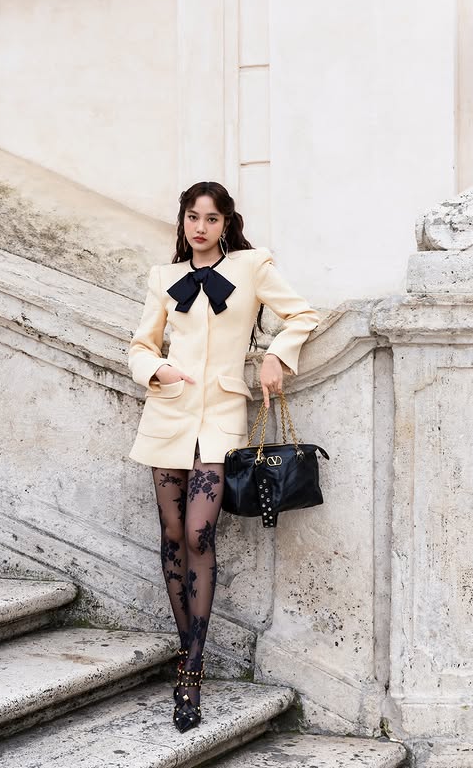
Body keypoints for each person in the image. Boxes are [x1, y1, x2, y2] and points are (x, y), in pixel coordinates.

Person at [127, 181, 319, 733]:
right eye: (193, 217)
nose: (201, 227)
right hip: (169, 412)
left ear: (226, 223)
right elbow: (140, 345)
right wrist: (157, 369)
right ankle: (189, 657)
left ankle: (191, 667)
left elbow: (302, 315)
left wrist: (276, 355)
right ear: (183, 221)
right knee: (171, 534)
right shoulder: (162, 277)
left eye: (211, 218)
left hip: (222, 417)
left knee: (198, 534)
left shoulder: (252, 267)